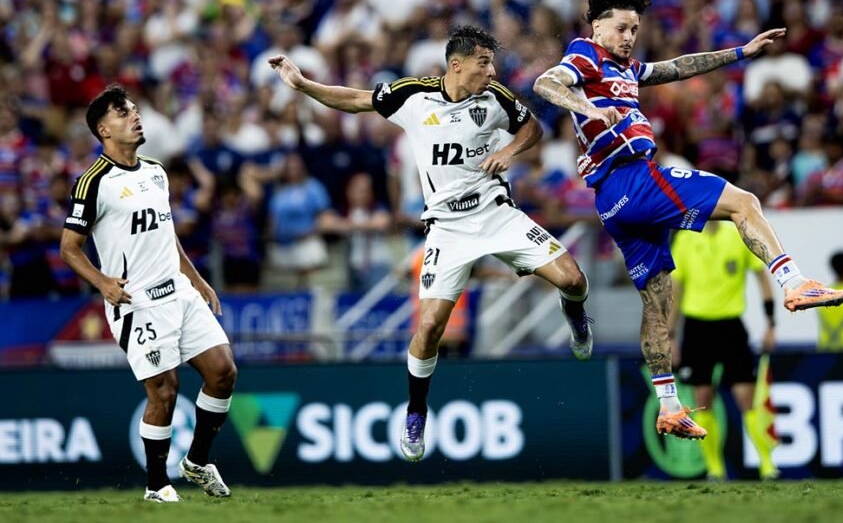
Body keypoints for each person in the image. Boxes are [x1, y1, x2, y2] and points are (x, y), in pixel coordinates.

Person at [533, 0, 843, 440]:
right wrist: (587, 108)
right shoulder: (585, 55)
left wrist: (740, 52)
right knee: (745, 202)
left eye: (635, 29)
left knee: (657, 299)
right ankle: (794, 283)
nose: (629, 37)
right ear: (597, 26)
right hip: (634, 178)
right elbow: (545, 83)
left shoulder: (627, 68)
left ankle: (668, 407)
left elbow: (679, 66)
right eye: (621, 28)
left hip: (612, 200)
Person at [269, 25, 593, 462]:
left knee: (574, 280)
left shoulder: (495, 98)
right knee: (429, 328)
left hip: (497, 214)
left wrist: (509, 152)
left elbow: (532, 129)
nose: (492, 71)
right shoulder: (413, 96)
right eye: (484, 63)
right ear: (456, 65)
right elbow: (355, 100)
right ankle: (416, 412)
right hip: (446, 228)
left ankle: (575, 316)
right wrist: (304, 85)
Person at [59, 85, 236, 503]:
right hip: (137, 302)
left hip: (179, 291)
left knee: (223, 372)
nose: (135, 117)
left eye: (135, 110)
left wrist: (197, 279)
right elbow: (69, 248)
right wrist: (102, 282)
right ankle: (157, 485)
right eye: (123, 113)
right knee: (164, 390)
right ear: (103, 129)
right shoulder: (93, 182)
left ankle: (197, 461)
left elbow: (166, 233)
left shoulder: (156, 171)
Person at [669, 220, 779, 480]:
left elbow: (762, 277)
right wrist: (670, 335)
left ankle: (767, 465)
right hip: (697, 328)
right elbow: (677, 289)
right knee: (702, 399)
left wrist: (771, 323)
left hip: (731, 327)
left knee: (747, 399)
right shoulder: (685, 239)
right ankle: (715, 469)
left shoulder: (738, 236)